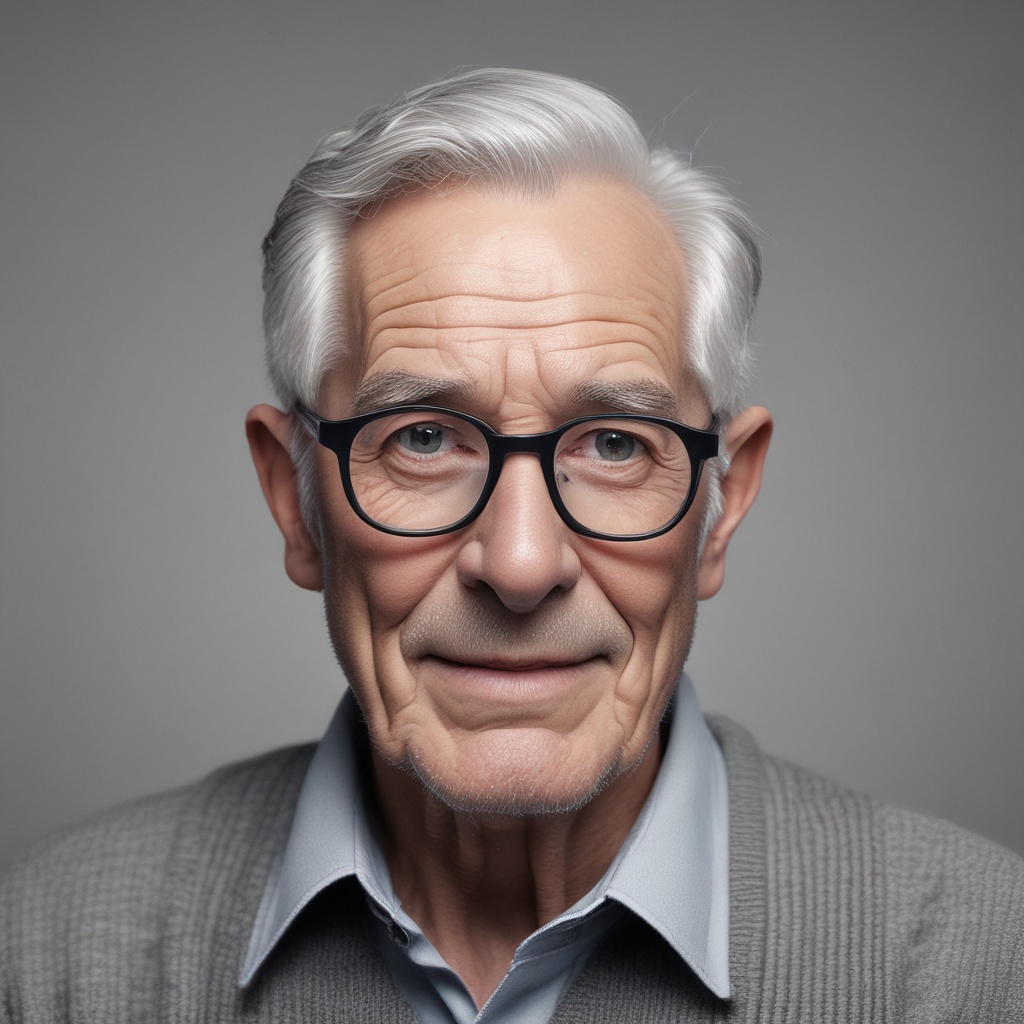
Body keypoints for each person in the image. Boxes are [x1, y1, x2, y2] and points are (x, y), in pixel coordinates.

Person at [1, 68, 1022, 1023]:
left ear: (721, 502)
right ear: (293, 499)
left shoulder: (972, 965)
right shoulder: (51, 962)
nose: (522, 562)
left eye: (616, 442)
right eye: (424, 437)